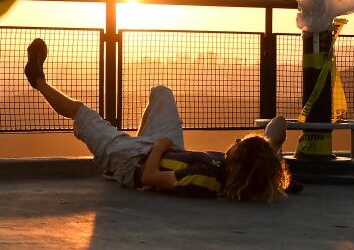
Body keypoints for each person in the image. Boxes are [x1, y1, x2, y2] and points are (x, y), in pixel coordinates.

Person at [23, 38, 293, 202]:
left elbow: (151, 178)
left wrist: (159, 149)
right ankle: (127, 149)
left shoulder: (203, 177)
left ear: (241, 161)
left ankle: (37, 79)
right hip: (160, 147)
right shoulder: (237, 170)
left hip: (135, 162)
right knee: (162, 93)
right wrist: (272, 143)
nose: (235, 140)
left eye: (240, 144)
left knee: (82, 113)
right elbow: (269, 155)